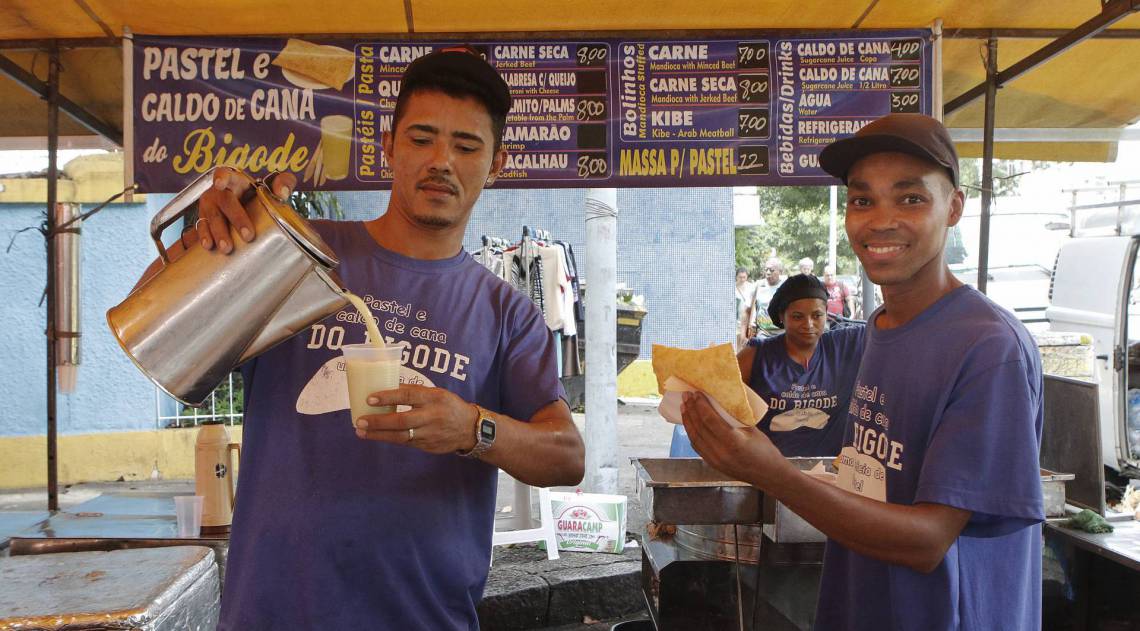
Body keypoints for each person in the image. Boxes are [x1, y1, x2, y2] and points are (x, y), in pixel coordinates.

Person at [151, 49, 586, 629]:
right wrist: (213, 235)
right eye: (422, 139)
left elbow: (567, 456)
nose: (441, 162)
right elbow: (159, 332)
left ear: (496, 163)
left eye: (466, 146)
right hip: (272, 613)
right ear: (388, 146)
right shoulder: (301, 253)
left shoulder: (505, 312)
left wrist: (472, 428)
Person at [681, 113, 1044, 630]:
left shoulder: (988, 348)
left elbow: (927, 541)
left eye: (911, 198)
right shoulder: (878, 328)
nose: (880, 220)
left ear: (954, 207)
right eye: (862, 199)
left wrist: (770, 472)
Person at [671, 273, 864, 458]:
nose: (809, 324)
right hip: (769, 474)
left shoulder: (846, 345)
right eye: (797, 316)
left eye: (817, 315)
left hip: (830, 475)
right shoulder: (757, 355)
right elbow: (716, 401)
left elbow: (890, 326)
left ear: (826, 315)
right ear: (782, 316)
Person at [751, 256, 785, 334]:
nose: (768, 273)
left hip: (782, 333)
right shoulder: (758, 285)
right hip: (763, 333)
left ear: (780, 271)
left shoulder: (786, 287)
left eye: (772, 270)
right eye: (766, 270)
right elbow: (747, 310)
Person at [735, 267, 757, 349]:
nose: (742, 279)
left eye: (744, 277)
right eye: (740, 277)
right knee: (737, 344)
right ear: (736, 277)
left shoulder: (752, 287)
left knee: (747, 344)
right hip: (736, 321)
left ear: (747, 277)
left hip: (749, 321)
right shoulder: (732, 288)